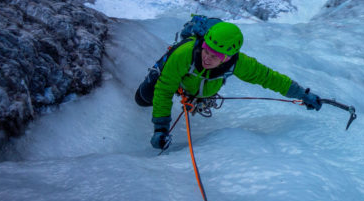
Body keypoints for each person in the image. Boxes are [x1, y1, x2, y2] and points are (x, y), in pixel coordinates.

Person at [135, 21, 322, 149]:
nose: (207, 57)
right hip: (177, 79)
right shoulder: (184, 55)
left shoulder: (239, 63)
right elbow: (165, 89)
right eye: (206, 51)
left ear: (228, 57)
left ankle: (196, 94)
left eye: (215, 55)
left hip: (199, 89)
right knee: (143, 98)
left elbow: (270, 78)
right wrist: (160, 128)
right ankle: (156, 74)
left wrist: (302, 94)